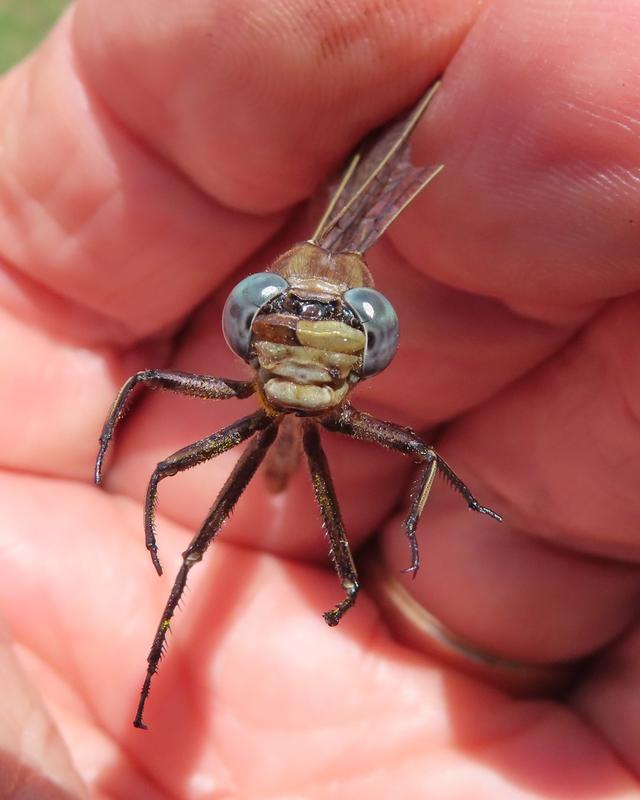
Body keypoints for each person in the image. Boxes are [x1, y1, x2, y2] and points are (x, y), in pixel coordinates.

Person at [0, 0, 638, 796]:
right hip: (270, 429)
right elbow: (141, 389)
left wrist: (418, 525)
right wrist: (119, 466)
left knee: (384, 484)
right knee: (197, 546)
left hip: (301, 425)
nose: (302, 331)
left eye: (347, 333)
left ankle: (354, 577)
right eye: (270, 318)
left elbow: (426, 453)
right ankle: (169, 665)